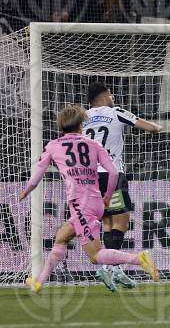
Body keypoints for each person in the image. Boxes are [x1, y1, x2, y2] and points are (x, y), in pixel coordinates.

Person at [20, 106, 159, 293]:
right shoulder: (94, 145)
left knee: (95, 256)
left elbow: (37, 175)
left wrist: (26, 191)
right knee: (61, 237)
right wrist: (108, 196)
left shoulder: (53, 146)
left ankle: (138, 259)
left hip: (80, 205)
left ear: (61, 125)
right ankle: (39, 282)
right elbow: (112, 172)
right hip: (95, 202)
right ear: (81, 125)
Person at [84, 82, 162, 292]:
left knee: (108, 223)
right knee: (121, 221)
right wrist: (158, 128)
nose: (113, 97)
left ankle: (115, 268)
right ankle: (109, 268)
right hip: (111, 176)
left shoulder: (82, 116)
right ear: (102, 96)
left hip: (88, 178)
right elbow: (149, 127)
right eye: (110, 93)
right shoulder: (116, 112)